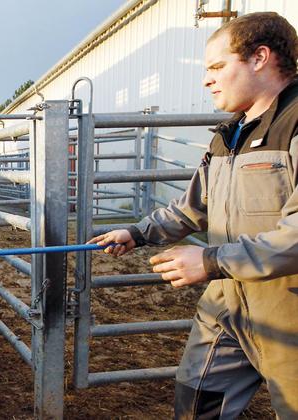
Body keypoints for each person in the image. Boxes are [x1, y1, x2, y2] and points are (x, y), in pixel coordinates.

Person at [89, 12, 298, 419]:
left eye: (218, 67)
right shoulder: (229, 134)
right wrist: (138, 232)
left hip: (288, 309)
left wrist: (209, 260)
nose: (207, 79)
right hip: (228, 302)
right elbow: (193, 206)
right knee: (197, 400)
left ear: (260, 57)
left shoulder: (294, 124)